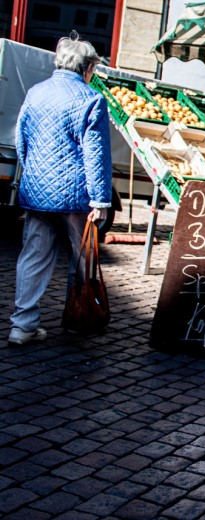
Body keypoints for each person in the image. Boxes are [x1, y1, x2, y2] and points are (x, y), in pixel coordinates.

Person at [8, 34, 111, 345]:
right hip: (75, 196)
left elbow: (20, 142)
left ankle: (22, 325)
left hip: (37, 191)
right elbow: (96, 154)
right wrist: (101, 199)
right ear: (88, 67)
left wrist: (34, 174)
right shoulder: (91, 99)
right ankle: (77, 317)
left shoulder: (35, 93)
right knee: (82, 259)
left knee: (33, 256)